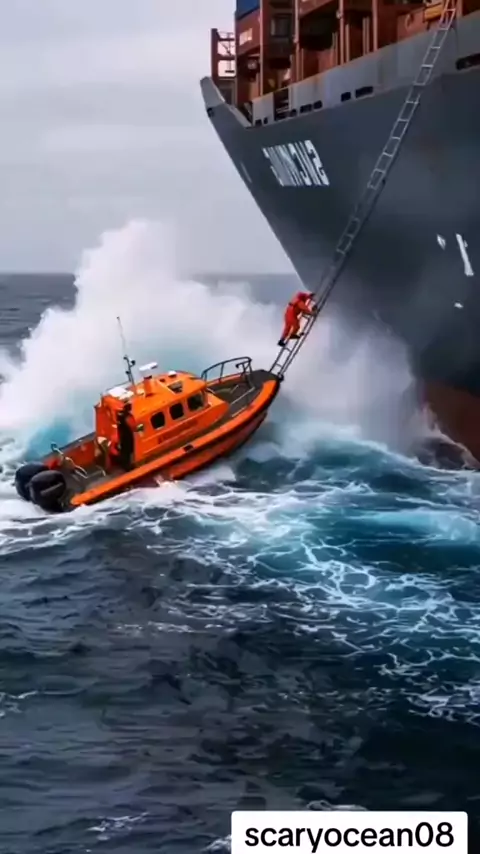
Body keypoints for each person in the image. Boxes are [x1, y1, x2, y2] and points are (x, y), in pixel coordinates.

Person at [116, 402, 136, 471]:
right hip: (127, 435)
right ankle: (128, 466)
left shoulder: (120, 416)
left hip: (123, 435)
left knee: (125, 451)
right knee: (128, 451)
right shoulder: (127, 416)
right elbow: (132, 426)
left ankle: (126, 465)